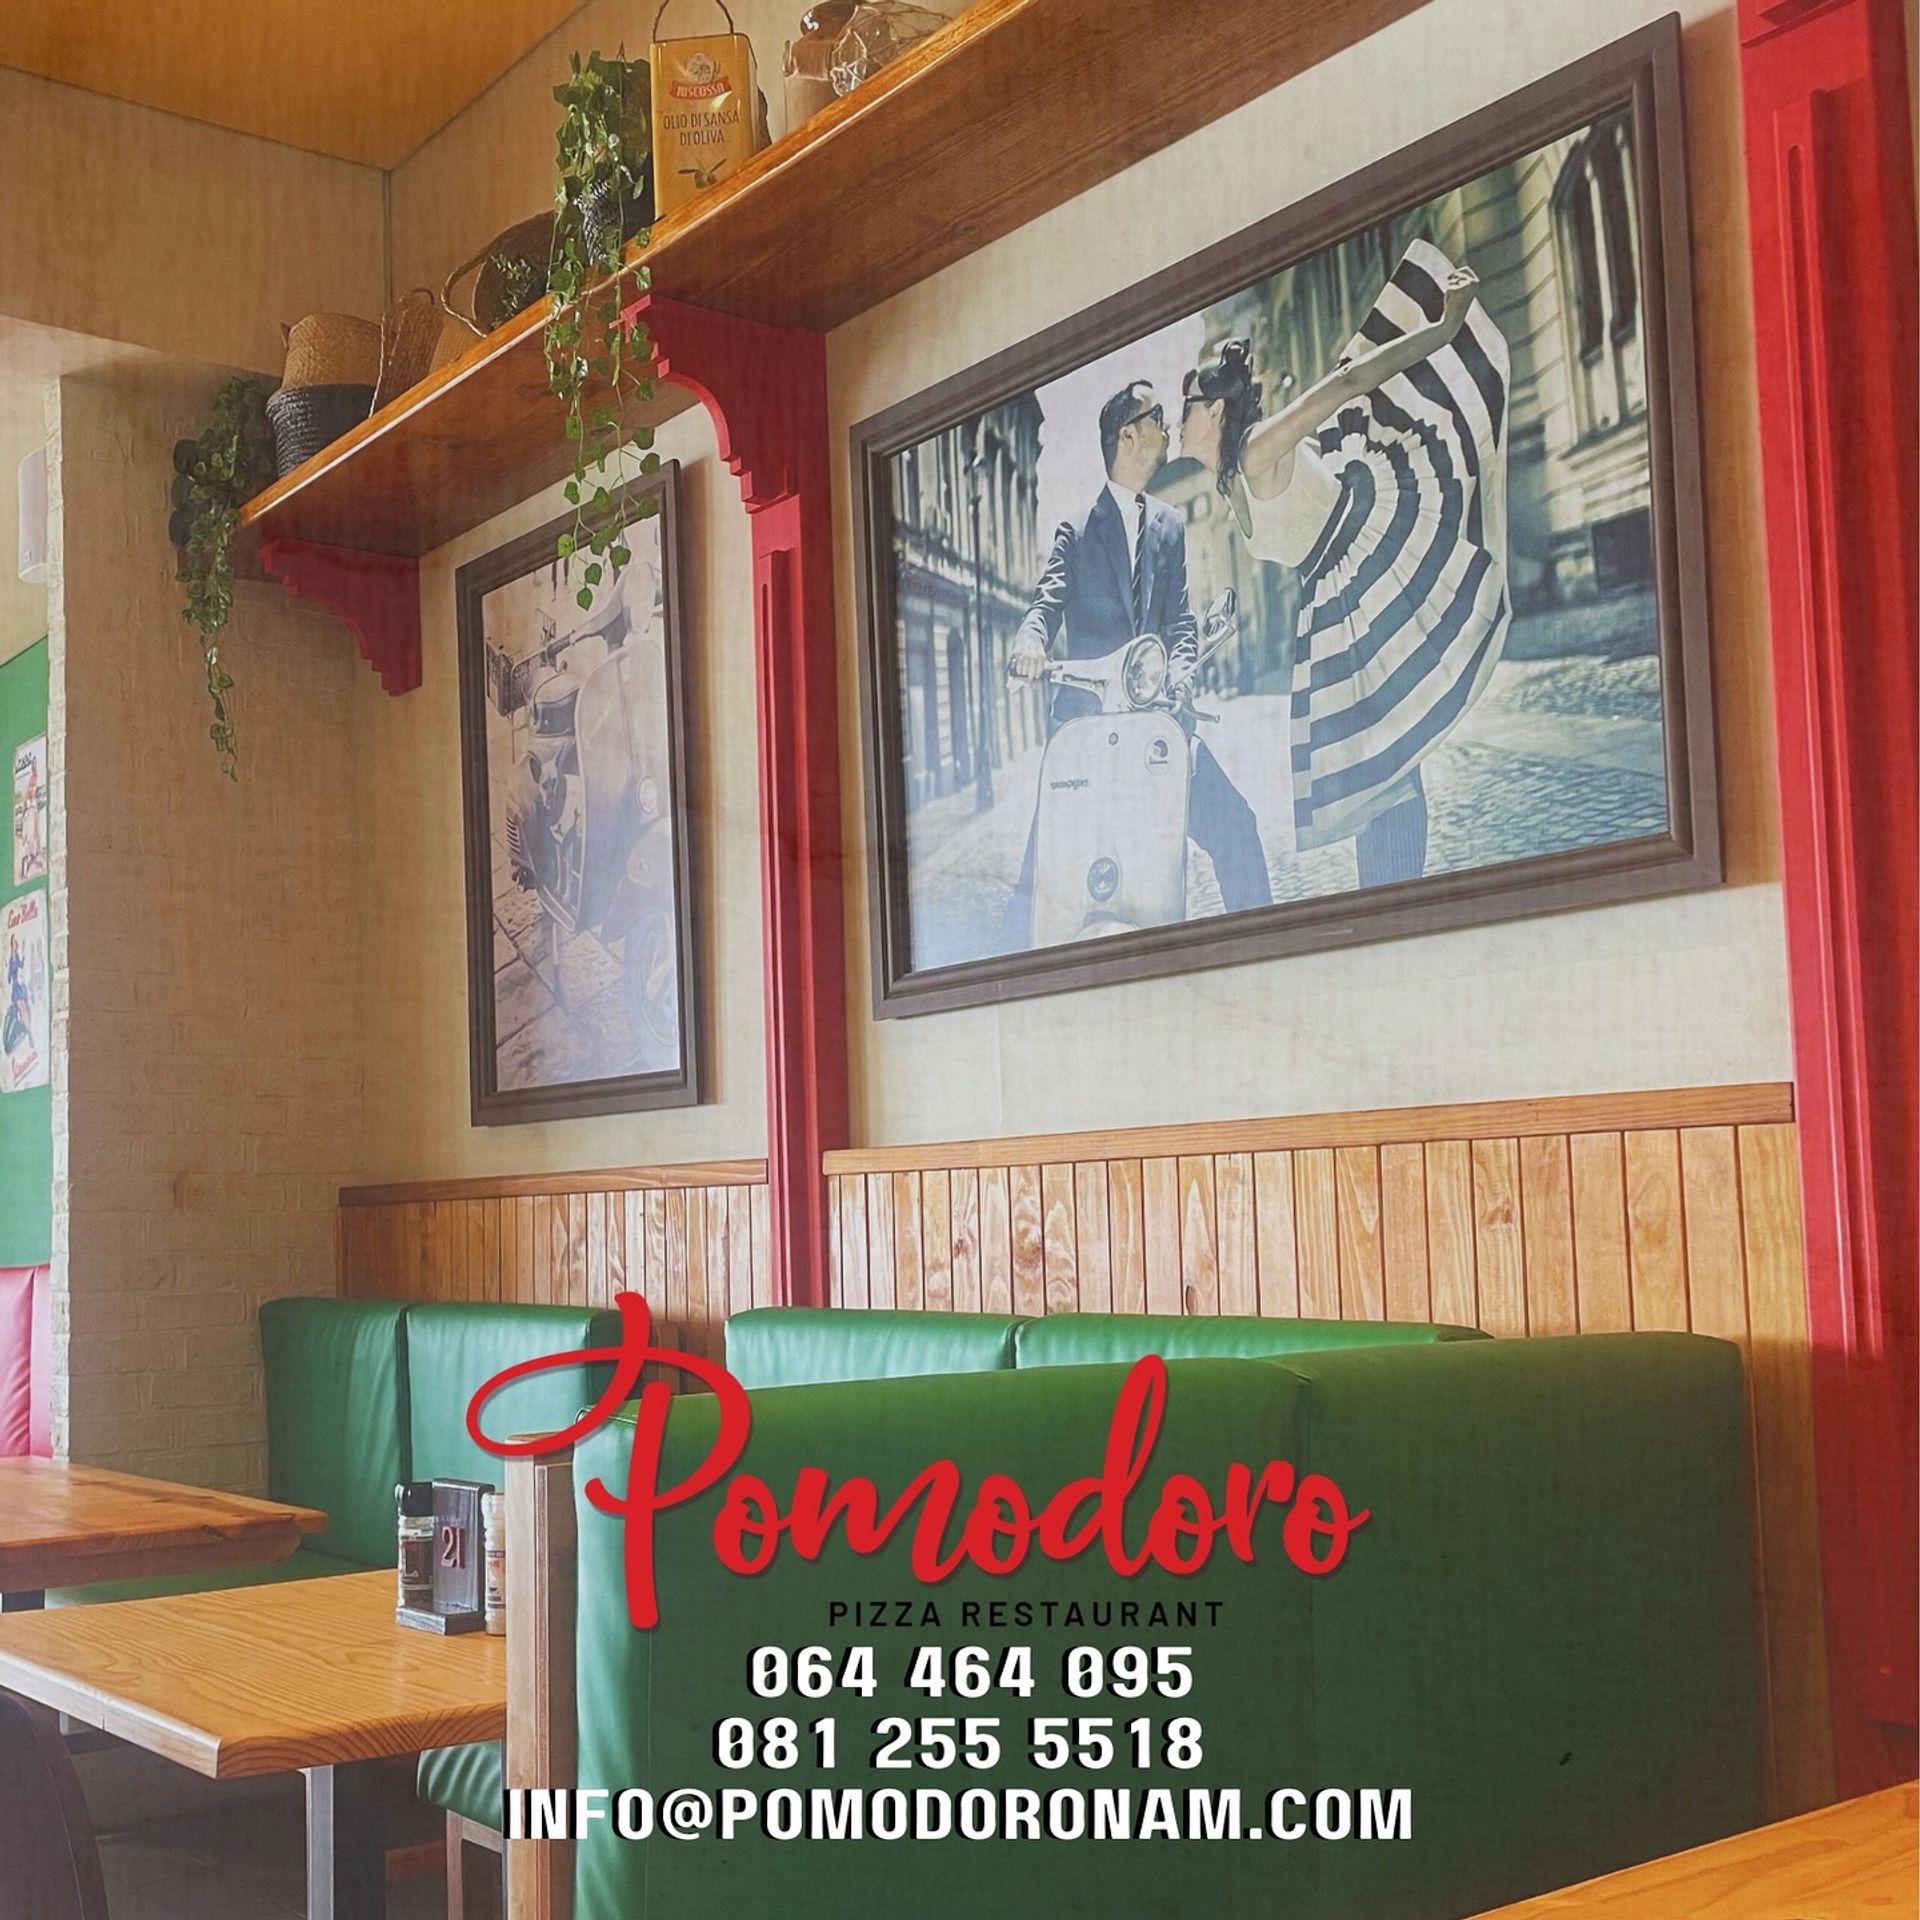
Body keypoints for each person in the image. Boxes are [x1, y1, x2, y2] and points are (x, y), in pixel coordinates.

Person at [1178, 240, 1511, 887]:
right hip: (1329, 598)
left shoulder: (1255, 449)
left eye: (1186, 405)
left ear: (1214, 412)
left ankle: (1396, 896)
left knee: (1388, 759)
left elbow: (1349, 382)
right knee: (1367, 765)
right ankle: (1385, 897)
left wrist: (1444, 327)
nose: (1179, 418)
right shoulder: (1228, 481)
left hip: (1363, 571)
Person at [1003, 379, 1271, 939]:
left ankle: (1267, 952)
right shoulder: (1077, 530)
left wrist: (1179, 679)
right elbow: (1046, 603)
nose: (1167, 425)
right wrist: (1030, 642)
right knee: (1041, 879)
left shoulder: (1169, 526)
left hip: (1156, 729)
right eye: (1156, 417)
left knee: (1237, 828)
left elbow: (1181, 624)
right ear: (1127, 435)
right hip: (1088, 735)